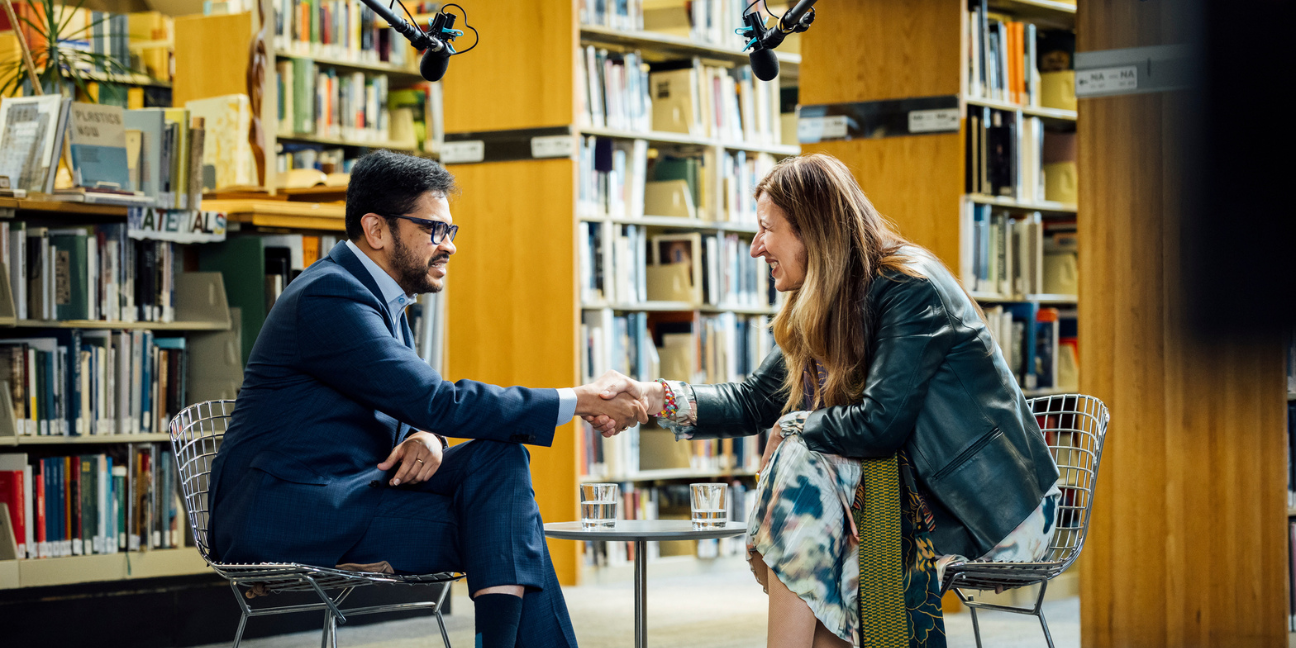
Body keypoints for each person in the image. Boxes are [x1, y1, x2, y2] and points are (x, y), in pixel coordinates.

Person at [588, 154, 1061, 647]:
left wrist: (795, 428)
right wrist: (648, 396)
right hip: (900, 500)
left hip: (990, 514)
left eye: (766, 229)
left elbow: (881, 423)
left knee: (803, 459)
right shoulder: (822, 299)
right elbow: (754, 401)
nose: (755, 248)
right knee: (815, 497)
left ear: (811, 231)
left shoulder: (909, 288)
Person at [208, 150, 647, 648]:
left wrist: (428, 436)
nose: (450, 247)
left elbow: (416, 403)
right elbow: (437, 398)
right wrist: (579, 399)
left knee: (501, 460)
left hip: (351, 487)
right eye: (435, 230)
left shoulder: (381, 295)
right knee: (504, 528)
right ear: (376, 230)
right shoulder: (330, 298)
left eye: (451, 231)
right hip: (294, 511)